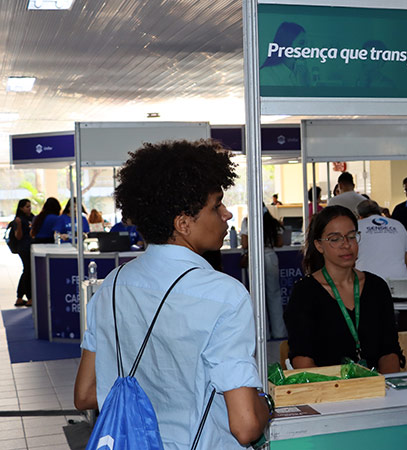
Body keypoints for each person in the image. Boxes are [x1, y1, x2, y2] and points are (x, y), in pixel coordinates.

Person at [74, 139, 270, 448]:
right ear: (183, 224)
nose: (227, 214)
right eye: (216, 205)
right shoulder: (225, 296)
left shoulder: (111, 286)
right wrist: (265, 403)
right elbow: (246, 427)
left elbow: (85, 394)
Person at [283, 205, 402, 373]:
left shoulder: (377, 287)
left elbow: (389, 351)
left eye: (351, 237)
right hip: (328, 386)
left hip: (376, 385)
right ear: (319, 245)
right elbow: (302, 359)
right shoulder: (305, 292)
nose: (346, 245)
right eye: (335, 239)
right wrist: (338, 386)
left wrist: (384, 383)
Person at [355, 199, 407, 281]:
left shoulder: (357, 226)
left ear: (359, 216)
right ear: (379, 212)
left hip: (368, 283)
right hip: (399, 284)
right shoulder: (398, 225)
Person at [259, 22, 310, 86]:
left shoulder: (303, 71)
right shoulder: (266, 74)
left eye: (306, 44)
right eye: (301, 43)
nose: (306, 48)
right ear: (286, 44)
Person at [262, 208, 287, 339]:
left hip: (256, 259)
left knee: (259, 297)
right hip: (271, 257)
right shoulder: (273, 223)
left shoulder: (248, 221)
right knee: (274, 295)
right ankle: (279, 332)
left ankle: (263, 333)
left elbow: (244, 243)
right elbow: (280, 243)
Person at [12, 199, 34, 307]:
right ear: (21, 208)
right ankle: (29, 297)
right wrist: (19, 225)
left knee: (27, 271)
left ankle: (20, 297)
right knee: (28, 271)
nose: (29, 208)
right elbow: (18, 236)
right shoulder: (18, 220)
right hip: (24, 248)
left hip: (32, 247)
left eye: (30, 206)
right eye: (27, 207)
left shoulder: (32, 217)